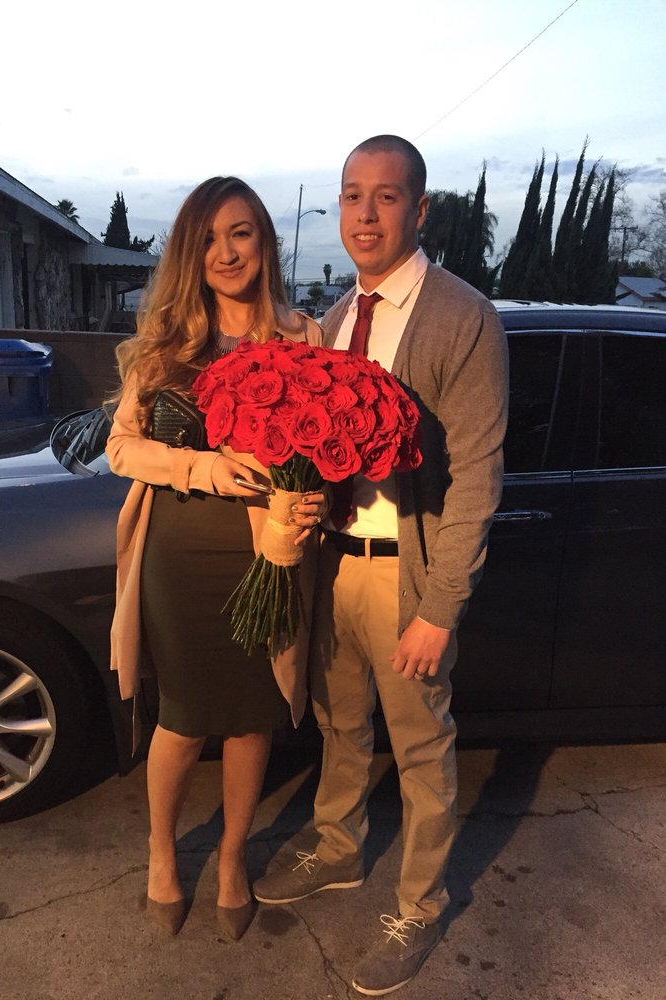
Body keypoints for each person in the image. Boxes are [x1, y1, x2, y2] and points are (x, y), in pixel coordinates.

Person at [253, 136, 509, 993]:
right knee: (340, 724)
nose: (365, 214)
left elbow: (477, 476)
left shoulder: (463, 317)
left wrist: (440, 609)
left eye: (387, 196)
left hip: (407, 573)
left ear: (419, 209)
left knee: (422, 748)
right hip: (335, 565)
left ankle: (421, 907)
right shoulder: (331, 322)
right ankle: (339, 847)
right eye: (352, 195)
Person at [106, 176, 326, 941]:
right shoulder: (165, 347)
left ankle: (233, 859)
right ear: (189, 255)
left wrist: (313, 500)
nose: (226, 253)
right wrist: (199, 466)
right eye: (208, 239)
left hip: (267, 550)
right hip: (180, 550)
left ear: (263, 240)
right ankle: (162, 854)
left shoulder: (302, 337)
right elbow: (121, 448)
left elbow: (322, 450)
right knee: (183, 716)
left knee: (251, 714)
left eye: (240, 233)